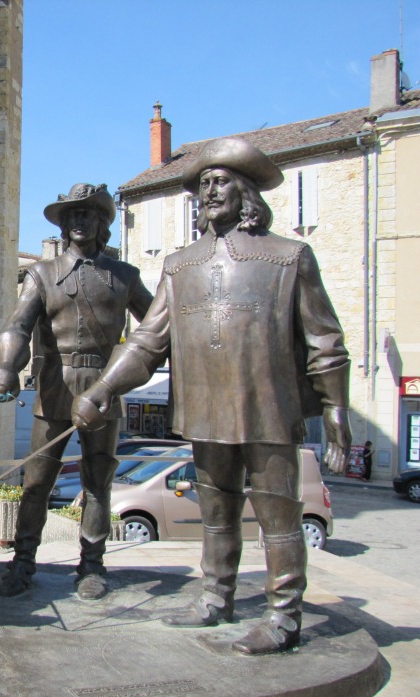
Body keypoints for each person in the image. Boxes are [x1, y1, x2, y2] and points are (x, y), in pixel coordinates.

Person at [72, 138, 351, 653]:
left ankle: (284, 615)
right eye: (203, 184)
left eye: (220, 181)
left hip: (269, 410)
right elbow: (147, 341)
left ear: (246, 192)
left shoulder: (289, 257)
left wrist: (335, 408)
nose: (209, 192)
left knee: (279, 516)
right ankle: (215, 597)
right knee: (216, 511)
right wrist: (104, 388)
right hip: (205, 409)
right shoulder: (181, 266)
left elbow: (325, 341)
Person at [0, 183, 154, 600]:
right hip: (53, 390)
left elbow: (156, 328)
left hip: (104, 389)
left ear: (103, 221)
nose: (79, 220)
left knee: (98, 482)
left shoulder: (125, 276)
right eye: (72, 214)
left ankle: (92, 565)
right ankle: (23, 561)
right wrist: (5, 367)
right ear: (63, 225)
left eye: (87, 213)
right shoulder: (41, 275)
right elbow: (17, 326)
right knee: (37, 482)